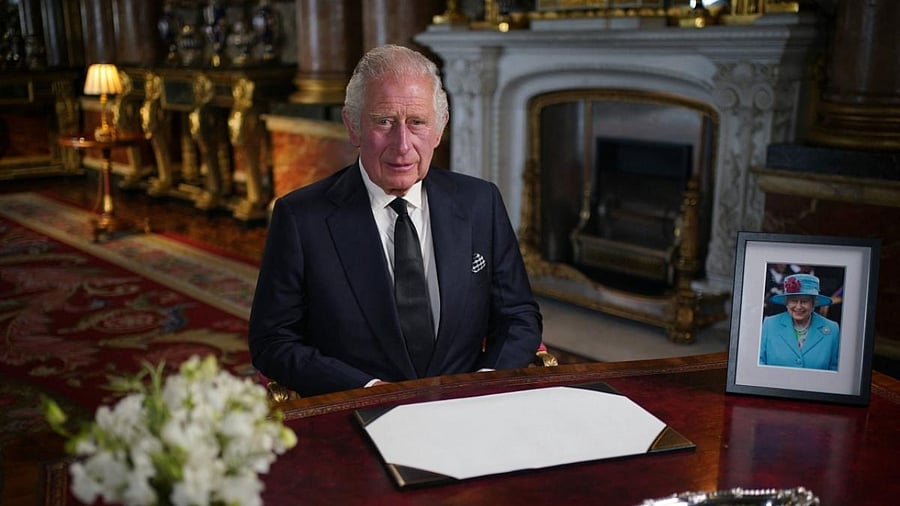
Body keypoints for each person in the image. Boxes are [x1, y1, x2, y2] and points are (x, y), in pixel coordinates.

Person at [248, 44, 543, 397]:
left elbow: (518, 315)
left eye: (417, 122)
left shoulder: (481, 203)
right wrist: (367, 390)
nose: (402, 145)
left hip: (468, 409)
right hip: (357, 413)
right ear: (353, 126)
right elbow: (273, 340)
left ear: (439, 128)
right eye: (384, 122)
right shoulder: (301, 218)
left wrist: (484, 382)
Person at [759, 273, 840, 370]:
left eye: (804, 301)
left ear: (814, 303)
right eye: (793, 300)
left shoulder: (832, 329)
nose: (798, 306)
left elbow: (834, 369)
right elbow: (760, 362)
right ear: (786, 303)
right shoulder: (769, 324)